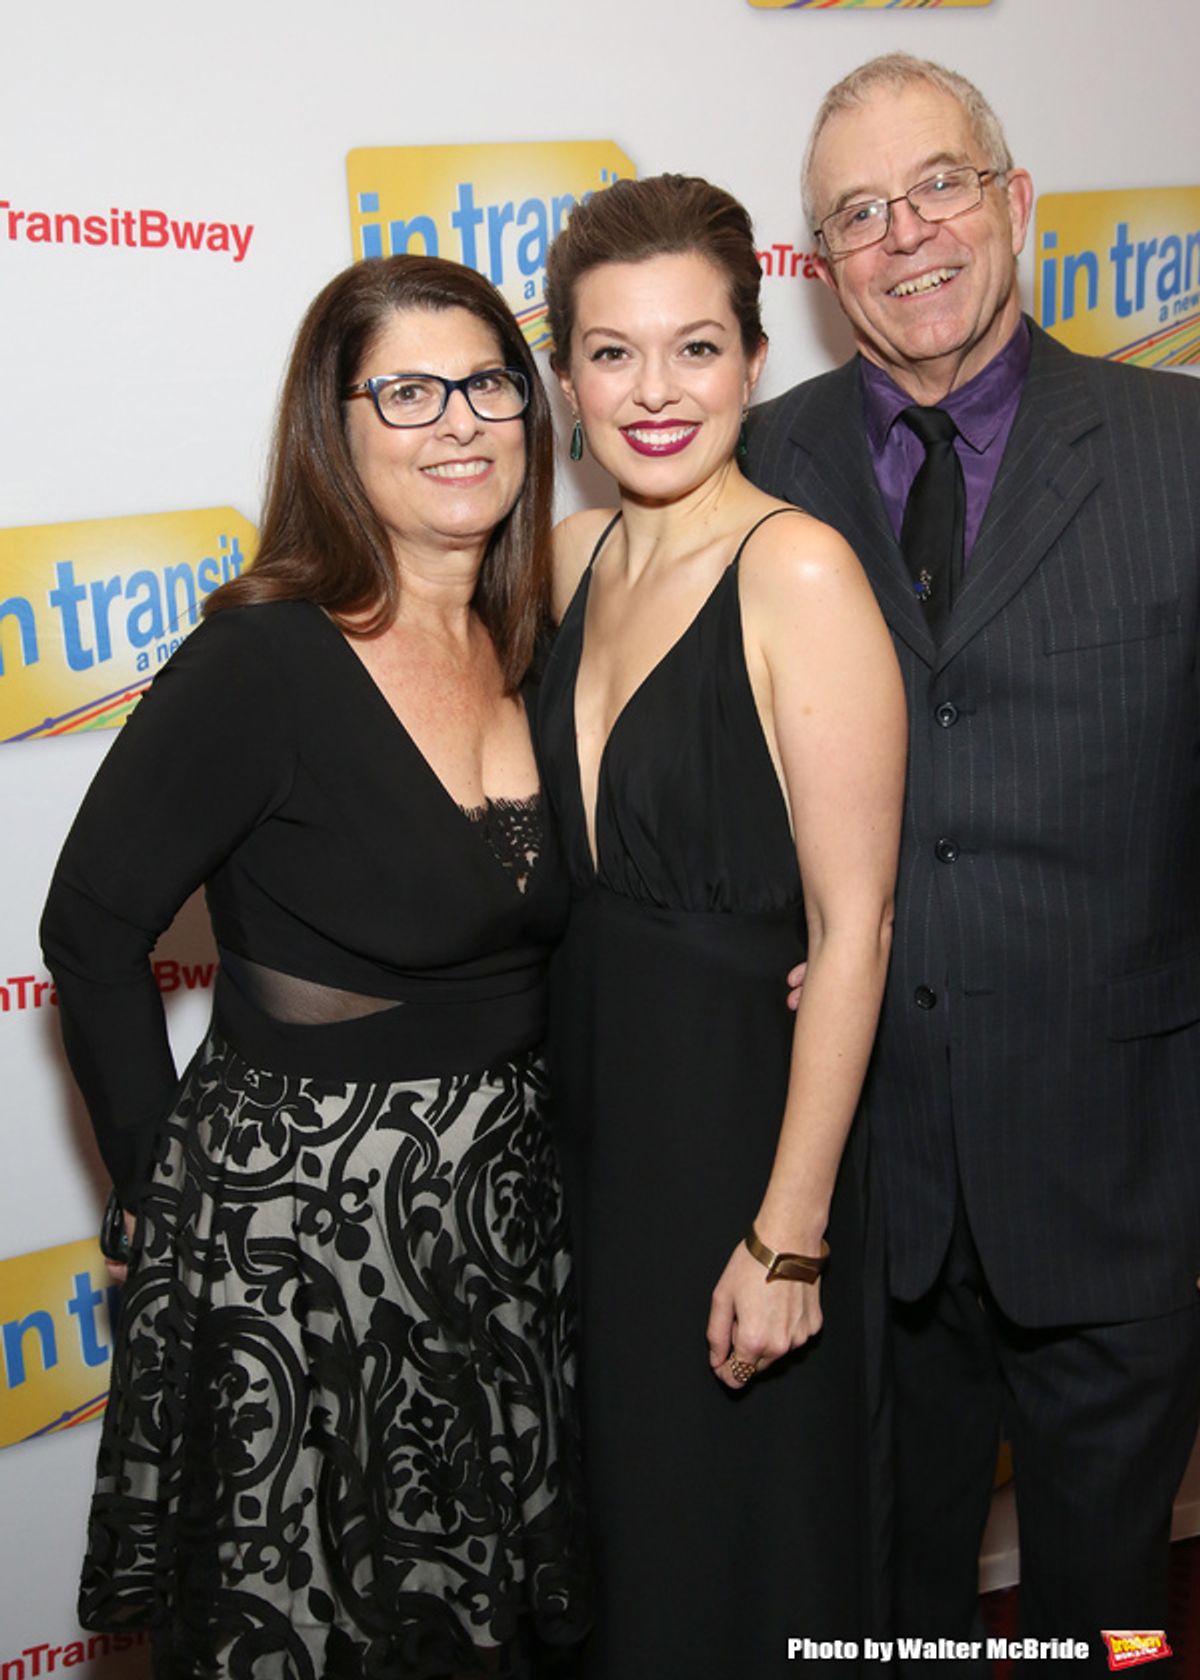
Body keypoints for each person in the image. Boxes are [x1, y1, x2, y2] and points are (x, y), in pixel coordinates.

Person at [40, 254, 592, 1680]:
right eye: (405, 391)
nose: (458, 420)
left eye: (487, 383)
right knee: (320, 1630)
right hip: (312, 1255)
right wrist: (159, 1195)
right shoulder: (266, 662)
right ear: (331, 429)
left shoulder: (519, 637)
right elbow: (89, 928)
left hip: (496, 1233)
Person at [746, 52, 1200, 1676]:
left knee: (1112, 1623)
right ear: (820, 263)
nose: (906, 234)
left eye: (939, 184)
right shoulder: (752, 470)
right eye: (857, 213)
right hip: (865, 1187)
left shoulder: (1180, 448)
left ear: (1017, 202)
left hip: (1123, 1173)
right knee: (883, 1615)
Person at [537, 174, 906, 1678]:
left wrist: (790, 1236)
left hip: (745, 1152)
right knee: (624, 1551)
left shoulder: (798, 570)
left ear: (757, 361)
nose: (655, 391)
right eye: (612, 352)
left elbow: (858, 921)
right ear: (562, 378)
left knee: (739, 1558)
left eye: (697, 347)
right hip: (589, 1140)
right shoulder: (565, 562)